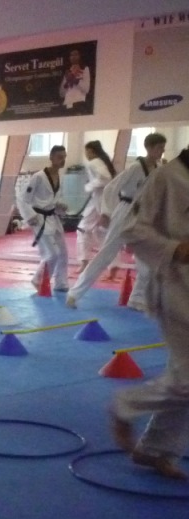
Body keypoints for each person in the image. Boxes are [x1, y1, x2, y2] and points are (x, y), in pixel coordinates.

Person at [109, 143, 189, 482]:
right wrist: (175, 248)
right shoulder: (166, 177)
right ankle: (126, 404)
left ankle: (156, 449)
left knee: (184, 375)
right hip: (175, 287)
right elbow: (131, 229)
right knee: (187, 379)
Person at [66, 133, 166, 309]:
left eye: (163, 148)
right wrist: (106, 212)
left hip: (143, 215)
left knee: (146, 258)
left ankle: (137, 299)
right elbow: (111, 188)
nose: (162, 151)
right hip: (125, 211)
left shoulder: (158, 168)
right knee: (106, 254)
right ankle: (74, 293)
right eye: (159, 148)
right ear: (148, 148)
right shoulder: (136, 167)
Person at [17, 145, 71, 292]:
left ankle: (61, 283)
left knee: (63, 253)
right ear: (51, 158)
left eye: (64, 157)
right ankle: (38, 280)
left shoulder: (60, 177)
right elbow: (22, 198)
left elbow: (52, 201)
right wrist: (30, 216)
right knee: (52, 254)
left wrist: (60, 207)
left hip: (53, 218)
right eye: (59, 157)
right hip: (39, 219)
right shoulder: (39, 177)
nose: (62, 160)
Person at [75, 139, 116, 272]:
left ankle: (85, 261)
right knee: (101, 232)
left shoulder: (94, 162)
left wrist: (89, 186)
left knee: (84, 229)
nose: (86, 154)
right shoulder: (103, 161)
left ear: (91, 151)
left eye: (86, 151)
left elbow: (106, 178)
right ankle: (112, 264)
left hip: (100, 201)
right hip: (103, 200)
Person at [60, 48, 91, 113]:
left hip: (79, 104)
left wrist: (75, 80)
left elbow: (86, 89)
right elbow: (62, 94)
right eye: (71, 55)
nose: (73, 57)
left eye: (76, 54)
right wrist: (67, 82)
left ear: (80, 56)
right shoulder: (67, 71)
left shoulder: (85, 69)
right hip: (67, 105)